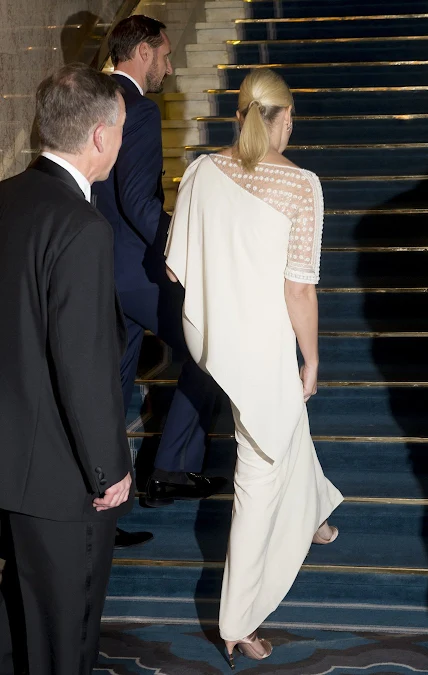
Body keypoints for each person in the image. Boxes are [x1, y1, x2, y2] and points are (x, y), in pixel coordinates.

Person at [164, 68, 344, 666]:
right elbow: (300, 292)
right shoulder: (300, 186)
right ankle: (238, 620)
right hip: (264, 346)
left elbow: (175, 268)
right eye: (294, 117)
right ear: (283, 117)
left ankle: (314, 511)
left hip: (218, 339)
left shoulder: (200, 171)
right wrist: (311, 358)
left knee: (280, 421)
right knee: (258, 475)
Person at [0, 63, 134, 675]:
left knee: (15, 632)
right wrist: (108, 469)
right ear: (100, 137)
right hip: (59, 482)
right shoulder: (81, 227)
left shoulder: (6, 199)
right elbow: (82, 361)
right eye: (123, 130)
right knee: (63, 643)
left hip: (6, 462)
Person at [93, 15, 225, 508]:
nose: (169, 68)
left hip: (97, 269)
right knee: (207, 345)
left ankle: (104, 503)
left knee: (113, 385)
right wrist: (183, 246)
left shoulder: (92, 97)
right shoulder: (140, 110)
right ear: (143, 51)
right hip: (138, 269)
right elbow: (138, 200)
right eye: (166, 55)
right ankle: (172, 468)